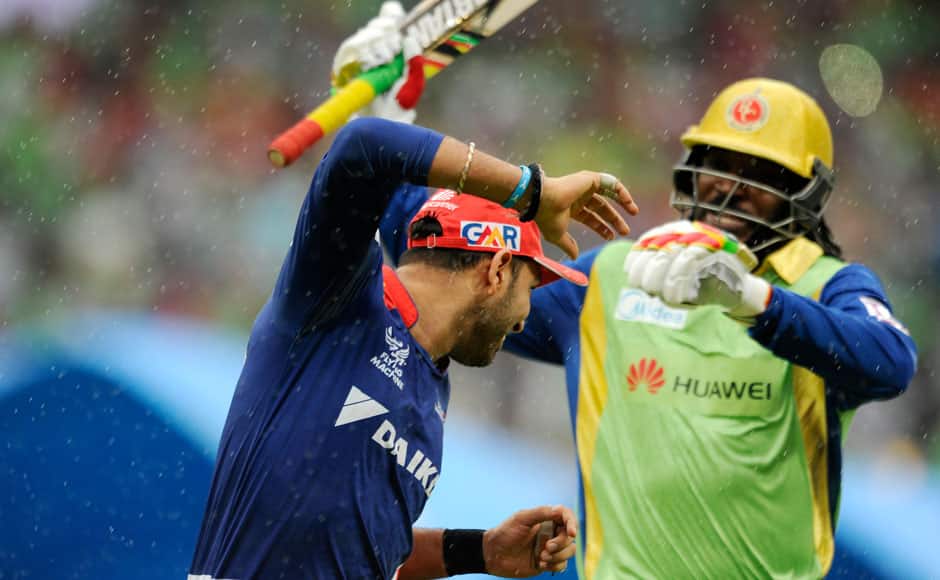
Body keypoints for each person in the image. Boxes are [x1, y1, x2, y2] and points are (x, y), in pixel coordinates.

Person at [377, 70, 919, 578]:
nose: (729, 188)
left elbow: (891, 362)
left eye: (760, 173)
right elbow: (448, 263)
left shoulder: (827, 286)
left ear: (805, 194)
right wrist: (389, 139)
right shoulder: (616, 275)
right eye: (718, 165)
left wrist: (756, 301)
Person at [187, 54, 640, 579]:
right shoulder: (341, 295)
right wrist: (530, 190)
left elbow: (371, 557)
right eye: (530, 286)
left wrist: (481, 552)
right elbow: (364, 148)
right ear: (496, 269)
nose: (524, 320)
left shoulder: (434, 393)